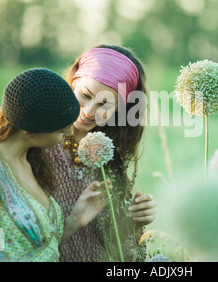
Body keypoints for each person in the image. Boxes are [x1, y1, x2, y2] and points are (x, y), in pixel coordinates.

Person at [0, 68, 111, 262]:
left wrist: (74, 221)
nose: (69, 135)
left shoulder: (32, 160)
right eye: (61, 131)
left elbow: (38, 250)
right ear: (29, 132)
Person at [47, 44, 157, 261]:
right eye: (85, 95)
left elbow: (113, 240)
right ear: (73, 82)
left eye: (105, 104)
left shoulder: (107, 151)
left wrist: (135, 218)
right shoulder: (40, 144)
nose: (89, 112)